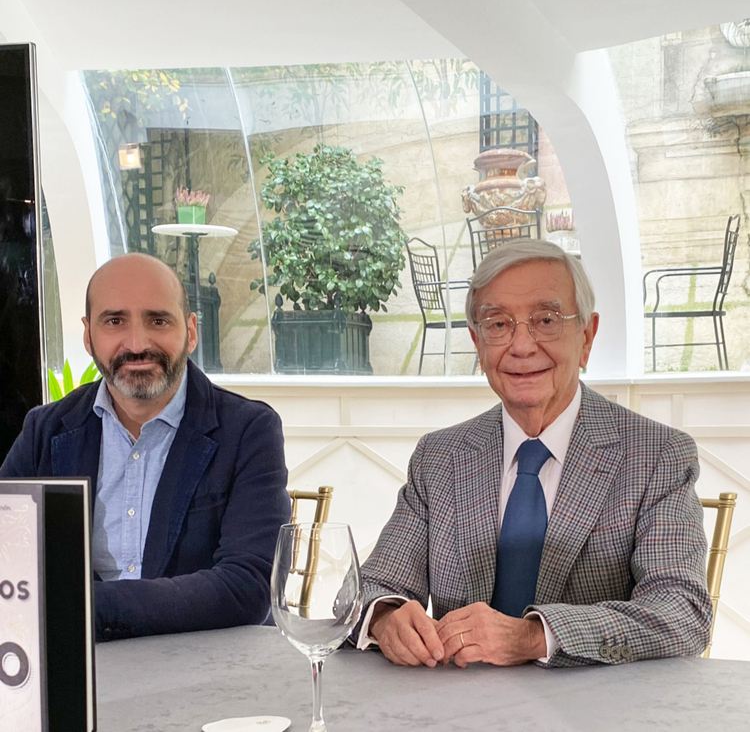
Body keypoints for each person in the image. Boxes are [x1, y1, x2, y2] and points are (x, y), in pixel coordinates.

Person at [357, 240, 711, 668]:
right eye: (499, 324)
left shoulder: (657, 456)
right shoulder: (440, 457)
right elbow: (370, 588)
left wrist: (534, 637)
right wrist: (384, 616)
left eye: (546, 320)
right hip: (455, 712)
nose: (521, 346)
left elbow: (681, 612)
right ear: (477, 342)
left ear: (587, 336)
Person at [0, 253, 290, 641]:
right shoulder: (45, 431)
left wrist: (83, 607)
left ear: (190, 331)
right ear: (88, 335)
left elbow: (248, 587)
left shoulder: (248, 431)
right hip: (74, 668)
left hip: (208, 673)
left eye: (158, 320)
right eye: (115, 321)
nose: (137, 344)